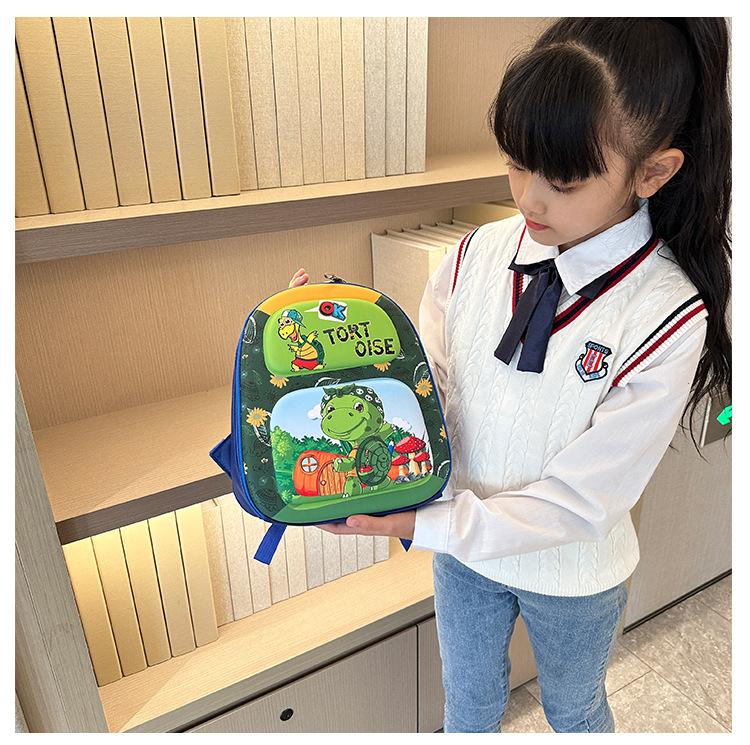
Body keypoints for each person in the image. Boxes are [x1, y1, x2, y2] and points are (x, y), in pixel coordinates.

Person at [289, 17, 731, 733]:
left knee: (574, 710)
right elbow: (427, 392)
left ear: (653, 172)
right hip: (462, 554)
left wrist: (433, 521)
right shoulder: (475, 254)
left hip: (575, 571)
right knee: (466, 708)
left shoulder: (666, 314)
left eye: (564, 180)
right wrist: (340, 352)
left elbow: (583, 501)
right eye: (517, 163)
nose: (529, 199)